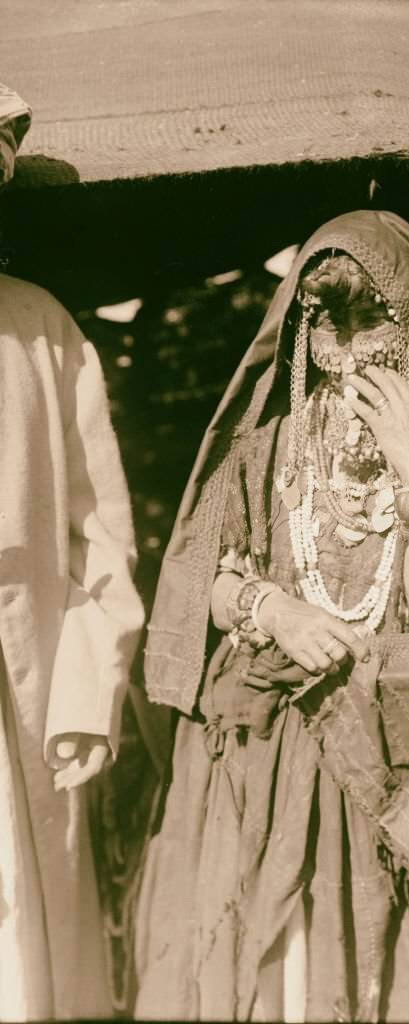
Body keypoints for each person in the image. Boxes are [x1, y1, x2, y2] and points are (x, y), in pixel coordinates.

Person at [135, 210, 409, 1022]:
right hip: (262, 763)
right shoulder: (269, 440)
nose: (348, 349)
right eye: (328, 326)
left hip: (383, 766)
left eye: (370, 320)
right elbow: (194, 578)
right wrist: (270, 608)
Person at [0, 86, 145, 1020]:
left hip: (22, 686)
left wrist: (90, 695)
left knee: (23, 939)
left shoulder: (40, 329)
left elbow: (100, 532)